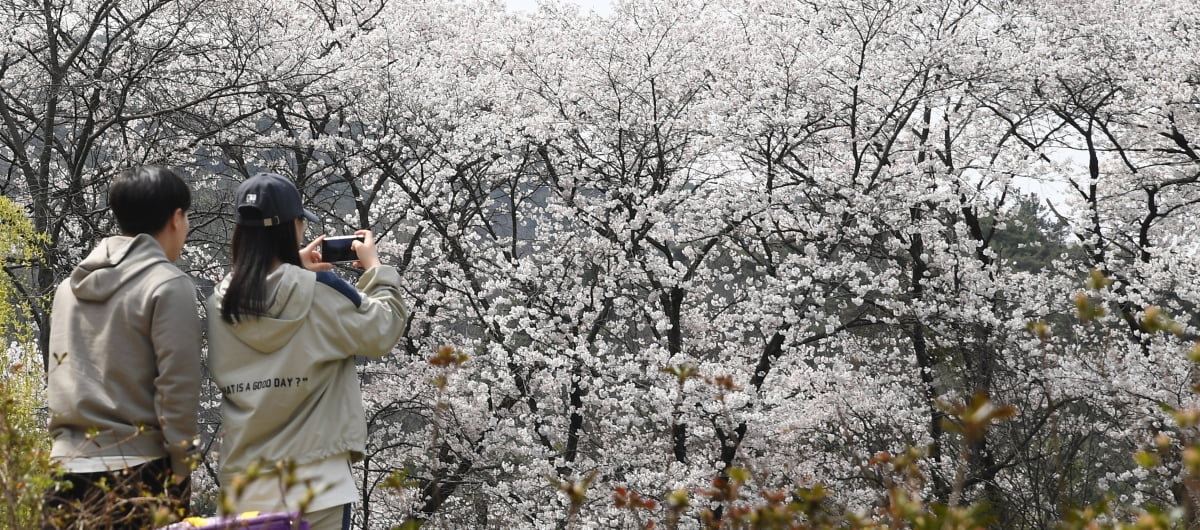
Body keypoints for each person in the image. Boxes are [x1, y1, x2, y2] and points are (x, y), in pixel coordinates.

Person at [207, 172, 408, 530]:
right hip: (317, 486)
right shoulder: (318, 291)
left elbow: (269, 295)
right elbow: (383, 329)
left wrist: (290, 269)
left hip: (246, 484)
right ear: (294, 227)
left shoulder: (221, 302)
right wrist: (377, 270)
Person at [45, 166, 201, 529]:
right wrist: (181, 469)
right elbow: (177, 387)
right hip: (135, 473)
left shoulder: (68, 288)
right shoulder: (168, 285)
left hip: (64, 472)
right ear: (176, 218)